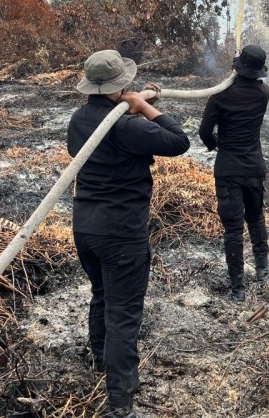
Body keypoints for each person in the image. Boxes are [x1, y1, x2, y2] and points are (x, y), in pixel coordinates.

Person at [67, 49, 190, 418]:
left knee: (101, 294)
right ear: (120, 85)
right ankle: (121, 402)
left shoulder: (78, 119)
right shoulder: (127, 126)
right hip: (120, 233)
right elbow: (179, 141)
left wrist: (132, 104)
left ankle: (99, 360)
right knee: (124, 313)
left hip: (85, 228)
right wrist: (146, 107)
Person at [198, 45, 269, 302]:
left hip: (228, 169)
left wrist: (216, 143)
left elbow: (204, 133)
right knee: (256, 218)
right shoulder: (264, 93)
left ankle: (238, 287)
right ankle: (263, 270)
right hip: (254, 167)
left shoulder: (220, 96)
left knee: (233, 230)